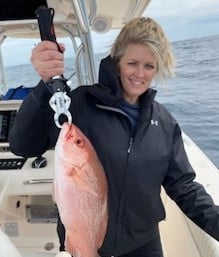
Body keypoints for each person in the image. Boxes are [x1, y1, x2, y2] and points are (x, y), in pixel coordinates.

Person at [9, 17, 219, 257]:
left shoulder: (165, 123)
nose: (140, 73)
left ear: (158, 67)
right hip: (85, 240)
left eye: (149, 66)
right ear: (118, 62)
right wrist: (44, 85)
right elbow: (22, 145)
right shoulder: (80, 105)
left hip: (145, 245)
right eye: (132, 63)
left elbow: (184, 187)